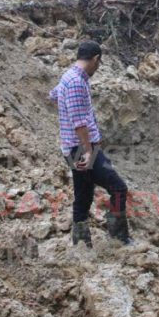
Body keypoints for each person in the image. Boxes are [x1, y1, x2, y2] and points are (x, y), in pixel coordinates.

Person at [50, 41, 132, 247]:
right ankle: (119, 240)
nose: (98, 67)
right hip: (82, 149)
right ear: (95, 59)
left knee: (83, 196)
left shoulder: (68, 77)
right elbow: (79, 122)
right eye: (99, 63)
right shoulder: (77, 82)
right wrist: (88, 150)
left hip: (72, 147)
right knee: (119, 188)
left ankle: (81, 245)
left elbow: (52, 96)